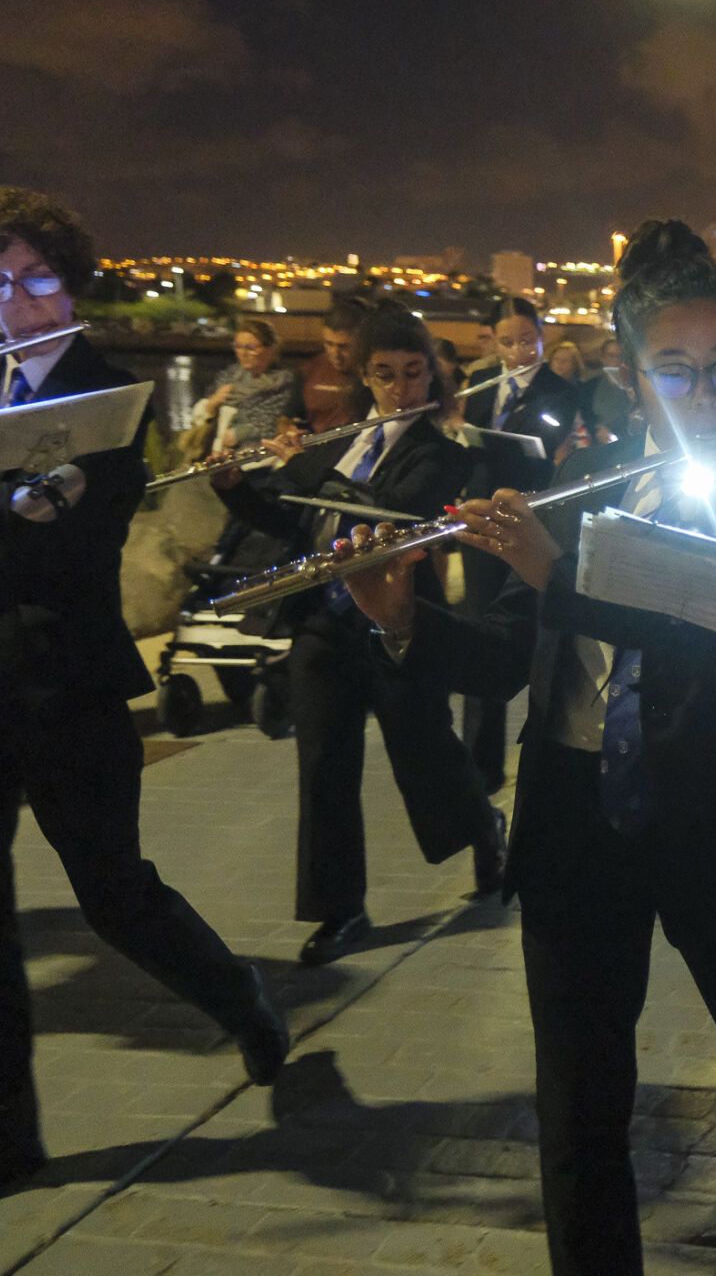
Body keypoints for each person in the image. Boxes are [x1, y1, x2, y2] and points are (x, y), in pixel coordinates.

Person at [339, 219, 716, 1264]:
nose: (709, 398)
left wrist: (557, 572)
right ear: (629, 375)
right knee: (577, 1089)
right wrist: (398, 616)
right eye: (677, 373)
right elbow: (505, 653)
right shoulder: (594, 475)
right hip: (577, 808)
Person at [0, 187, 289, 1206]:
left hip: (62, 681)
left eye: (32, 278)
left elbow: (55, 546)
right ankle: (6, 1135)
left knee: (112, 894)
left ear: (69, 283)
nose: (10, 299)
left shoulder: (108, 398)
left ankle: (238, 995)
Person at [209, 300, 506, 967]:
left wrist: (303, 465)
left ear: (432, 375)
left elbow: (385, 514)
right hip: (323, 623)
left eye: (413, 372)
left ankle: (485, 828)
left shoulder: (441, 455)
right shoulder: (340, 439)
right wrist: (235, 487)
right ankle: (340, 909)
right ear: (365, 378)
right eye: (385, 375)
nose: (401, 388)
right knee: (322, 767)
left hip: (397, 625)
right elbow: (294, 522)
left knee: (423, 751)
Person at [457, 297, 584, 794]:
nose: (518, 351)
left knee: (525, 624)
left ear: (541, 336)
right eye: (507, 342)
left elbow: (548, 445)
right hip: (480, 507)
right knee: (478, 620)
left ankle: (540, 742)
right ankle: (479, 761)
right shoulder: (480, 383)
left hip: (529, 511)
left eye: (527, 340)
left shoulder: (558, 389)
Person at [193, 319, 297, 450]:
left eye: (250, 348)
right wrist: (212, 404)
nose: (243, 353)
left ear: (270, 349)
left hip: (257, 457)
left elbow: (272, 423)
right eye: (238, 346)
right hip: (217, 453)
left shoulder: (283, 383)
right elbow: (201, 418)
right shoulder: (229, 376)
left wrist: (236, 434)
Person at [300, 300, 368, 434]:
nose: (335, 354)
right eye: (329, 344)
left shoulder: (373, 375)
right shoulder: (311, 368)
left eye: (344, 347)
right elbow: (289, 415)